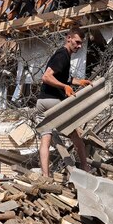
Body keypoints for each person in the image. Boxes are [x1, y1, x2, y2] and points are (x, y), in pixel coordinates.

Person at [35, 27, 91, 177]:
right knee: (76, 136)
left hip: (42, 102)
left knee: (45, 139)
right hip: (53, 102)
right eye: (77, 42)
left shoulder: (63, 56)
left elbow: (62, 78)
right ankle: (86, 168)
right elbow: (46, 77)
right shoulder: (63, 55)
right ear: (69, 38)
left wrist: (78, 82)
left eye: (81, 44)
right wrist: (64, 87)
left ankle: (45, 177)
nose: (79, 46)